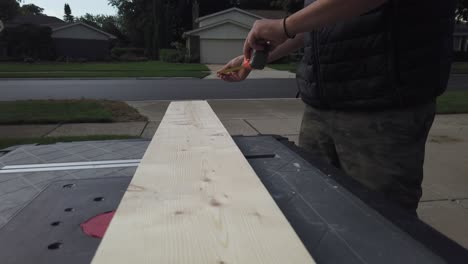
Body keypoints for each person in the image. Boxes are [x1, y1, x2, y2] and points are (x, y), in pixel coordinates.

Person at [218, 0, 456, 213]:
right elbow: (317, 23)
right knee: (316, 208)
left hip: (382, 105)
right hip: (320, 104)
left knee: (381, 225)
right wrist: (253, 60)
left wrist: (284, 25)